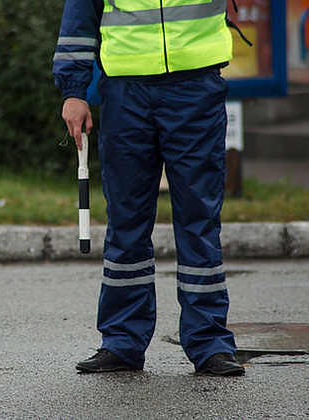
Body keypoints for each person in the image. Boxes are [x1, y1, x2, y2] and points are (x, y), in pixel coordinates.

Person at [53, 0, 245, 376]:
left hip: (195, 87)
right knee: (126, 219)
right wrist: (73, 91)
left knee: (199, 218)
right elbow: (79, 17)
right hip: (126, 93)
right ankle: (122, 342)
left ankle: (209, 343)